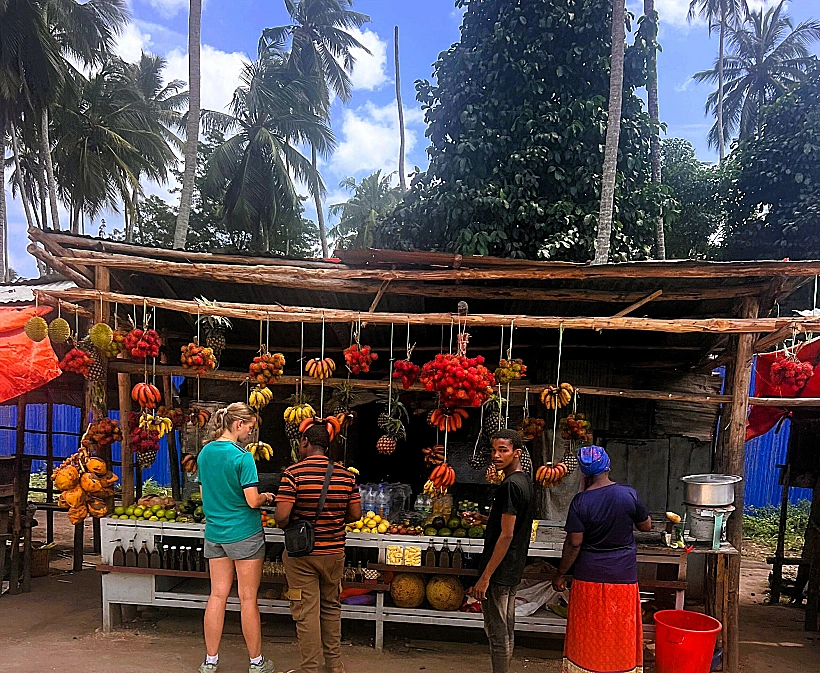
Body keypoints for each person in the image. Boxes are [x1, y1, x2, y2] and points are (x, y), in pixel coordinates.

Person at [552, 445, 653, 673]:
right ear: (608, 465)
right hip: (623, 577)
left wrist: (560, 573)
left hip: (589, 577)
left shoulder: (581, 502)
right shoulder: (628, 494)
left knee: (589, 631)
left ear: (584, 472)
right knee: (619, 631)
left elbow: (574, 542)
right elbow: (646, 526)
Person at [274, 424, 362, 673]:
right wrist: (331, 521)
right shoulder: (347, 476)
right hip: (334, 554)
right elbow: (355, 515)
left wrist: (294, 521)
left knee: (306, 612)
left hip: (301, 556)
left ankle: (311, 669)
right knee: (332, 607)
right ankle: (334, 666)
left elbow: (281, 516)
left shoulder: (293, 474)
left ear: (305, 442)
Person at [196, 402, 276, 673]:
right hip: (243, 533)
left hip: (215, 532)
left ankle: (210, 660)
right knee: (247, 598)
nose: (250, 434)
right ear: (238, 424)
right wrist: (267, 496)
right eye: (250, 428)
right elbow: (252, 501)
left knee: (217, 595)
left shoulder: (205, 453)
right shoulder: (243, 458)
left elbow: (205, 497)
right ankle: (256, 662)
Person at [466, 429, 534, 673]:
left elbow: (507, 535)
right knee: (506, 628)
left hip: (500, 569)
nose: (496, 455)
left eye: (503, 450)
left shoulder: (510, 486)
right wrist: (486, 519)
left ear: (516, 453)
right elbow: (511, 523)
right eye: (494, 450)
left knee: (497, 632)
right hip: (513, 566)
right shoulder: (523, 480)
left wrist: (485, 577)